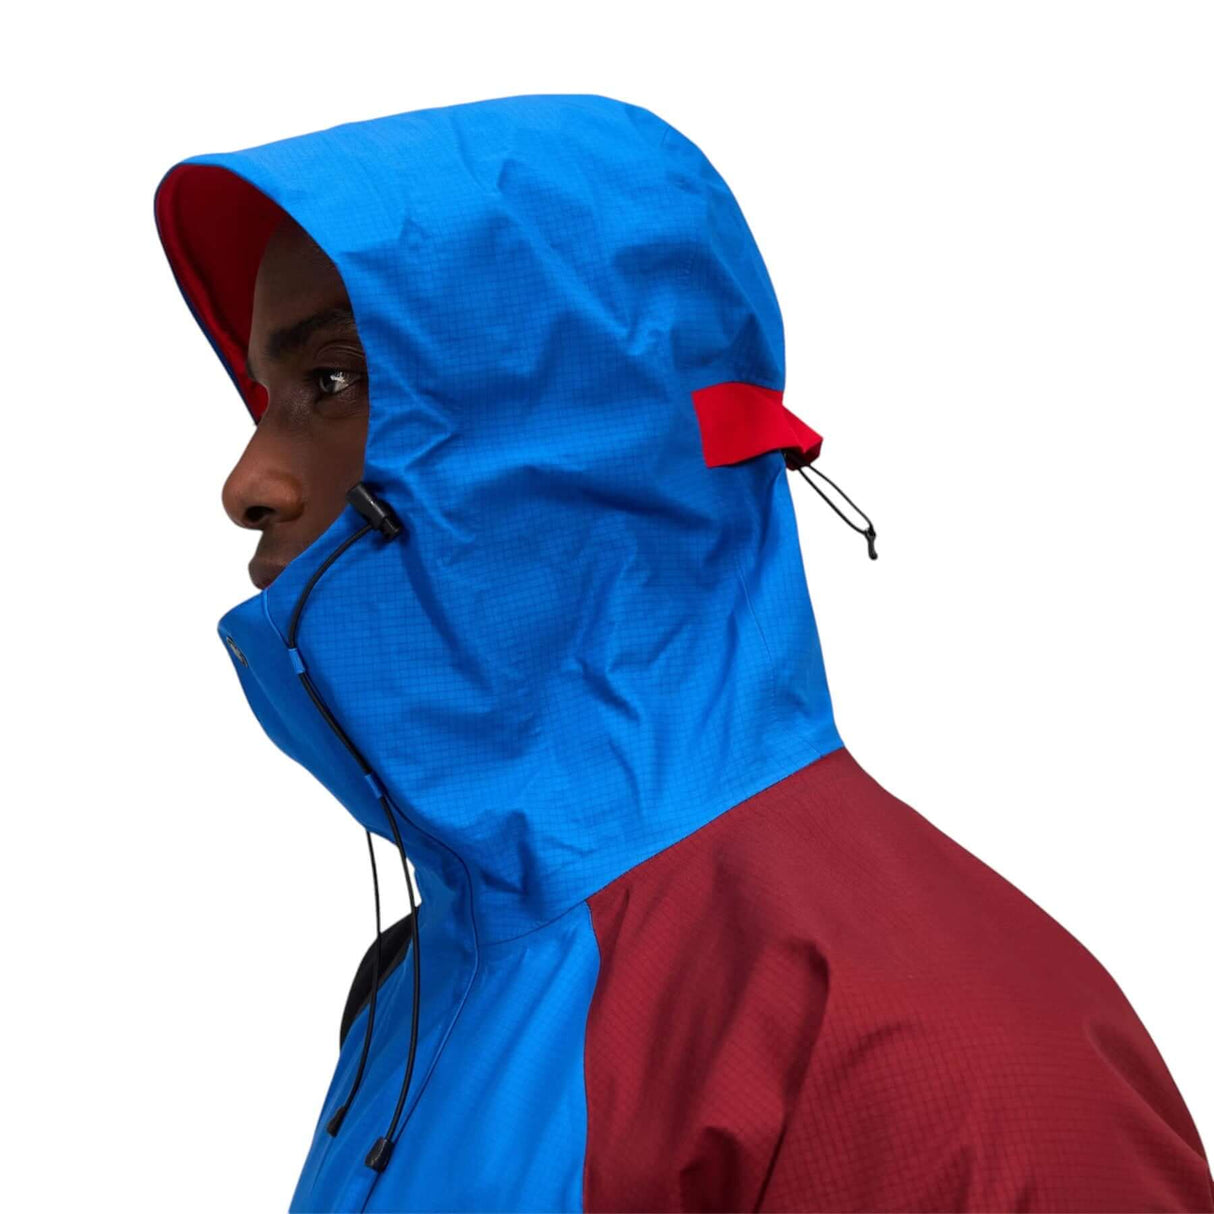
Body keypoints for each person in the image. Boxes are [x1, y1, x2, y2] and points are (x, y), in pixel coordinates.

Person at [153, 93, 1214, 1213]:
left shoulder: (927, 1050)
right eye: (267, 399)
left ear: (574, 436)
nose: (245, 482)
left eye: (330, 383)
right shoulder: (423, 988)